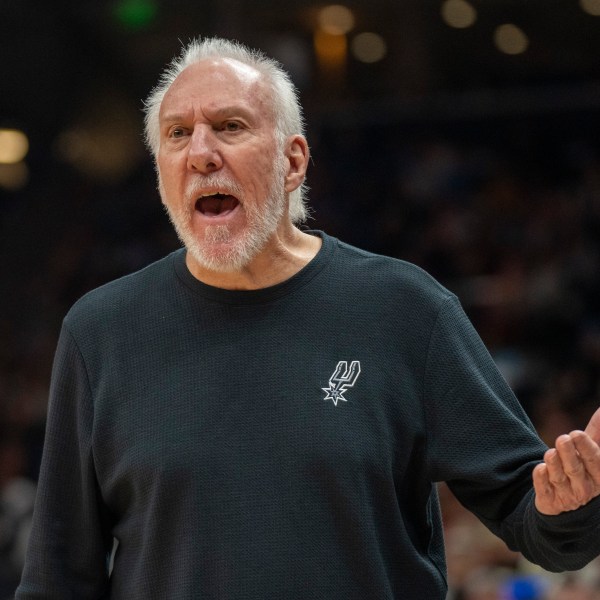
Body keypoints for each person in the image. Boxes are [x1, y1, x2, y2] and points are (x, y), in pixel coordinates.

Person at [15, 36, 600, 600]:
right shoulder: (100, 332)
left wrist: (570, 502)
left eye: (230, 126)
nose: (200, 153)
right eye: (177, 135)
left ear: (293, 161)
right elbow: (58, 577)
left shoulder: (406, 311)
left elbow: (537, 525)